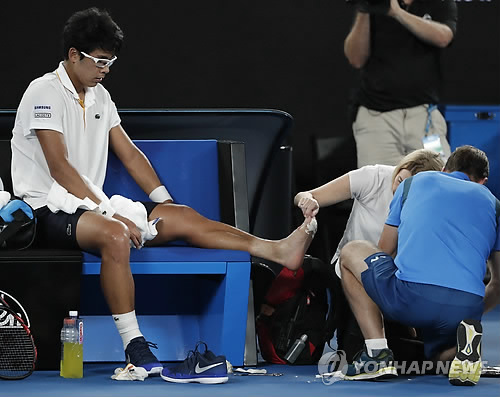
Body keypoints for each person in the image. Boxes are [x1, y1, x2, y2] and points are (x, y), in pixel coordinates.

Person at [10, 7, 316, 376]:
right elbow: (59, 167)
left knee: (181, 216)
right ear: (74, 55)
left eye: (111, 62)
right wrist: (109, 213)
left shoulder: (101, 98)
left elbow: (131, 155)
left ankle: (275, 250)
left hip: (91, 207)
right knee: (116, 234)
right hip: (46, 210)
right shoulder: (42, 91)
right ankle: (135, 347)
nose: (106, 69)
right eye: (100, 61)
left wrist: (163, 201)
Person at [339, 145, 500, 385]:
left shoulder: (413, 184)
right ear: (483, 181)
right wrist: (471, 312)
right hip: (465, 310)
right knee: (435, 357)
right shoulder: (494, 205)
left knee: (352, 251)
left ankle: (377, 355)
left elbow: (384, 251)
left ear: (445, 169)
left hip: (410, 299)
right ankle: (461, 349)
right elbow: (498, 284)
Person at [294, 148, 443, 279]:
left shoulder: (432, 206)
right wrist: (307, 201)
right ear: (398, 168)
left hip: (397, 280)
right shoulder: (374, 177)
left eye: (407, 190)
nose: (398, 191)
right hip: (349, 273)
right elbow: (305, 195)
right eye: (399, 180)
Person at [344, 0, 457, 168]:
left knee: (439, 178)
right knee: (376, 187)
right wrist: (364, 10)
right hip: (377, 117)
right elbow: (356, 58)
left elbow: (443, 37)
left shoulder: (438, 2)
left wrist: (397, 12)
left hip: (424, 117)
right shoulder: (375, 6)